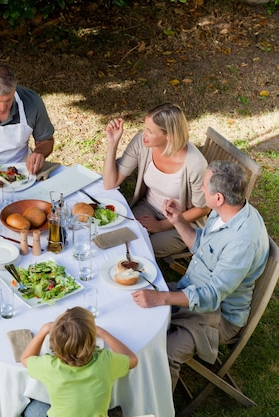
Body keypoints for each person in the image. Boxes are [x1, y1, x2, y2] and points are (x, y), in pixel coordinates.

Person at [131, 161, 269, 391]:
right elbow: (202, 246)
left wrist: (162, 298)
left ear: (219, 198)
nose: (201, 190)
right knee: (134, 303)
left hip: (217, 317)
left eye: (205, 187)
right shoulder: (224, 212)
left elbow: (212, 296)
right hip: (192, 289)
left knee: (164, 354)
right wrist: (178, 221)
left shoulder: (243, 242)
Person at [102, 103, 210, 258]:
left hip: (182, 223)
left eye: (150, 131)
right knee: (116, 235)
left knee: (137, 249)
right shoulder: (142, 142)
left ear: (169, 135)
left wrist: (160, 225)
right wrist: (112, 144)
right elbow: (109, 183)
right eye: (145, 128)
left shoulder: (195, 165)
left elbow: (203, 209)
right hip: (148, 208)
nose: (143, 134)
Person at [20, 307, 138, 417]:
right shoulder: (106, 361)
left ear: (53, 342)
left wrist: (43, 330)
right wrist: (104, 334)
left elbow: (25, 358)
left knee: (29, 405)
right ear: (92, 340)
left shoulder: (49, 365)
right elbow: (133, 360)